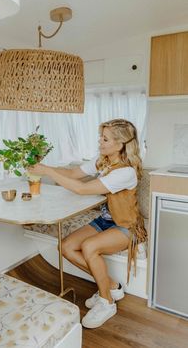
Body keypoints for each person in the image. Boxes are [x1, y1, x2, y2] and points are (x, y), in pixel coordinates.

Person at [29, 118, 147, 329]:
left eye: (105, 139)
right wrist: (46, 167)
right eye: (100, 137)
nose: (100, 142)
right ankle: (111, 285)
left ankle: (107, 302)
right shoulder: (103, 160)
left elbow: (81, 188)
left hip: (126, 226)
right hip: (105, 221)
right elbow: (74, 174)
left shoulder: (125, 171)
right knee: (65, 247)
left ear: (120, 144)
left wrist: (47, 171)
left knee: (89, 246)